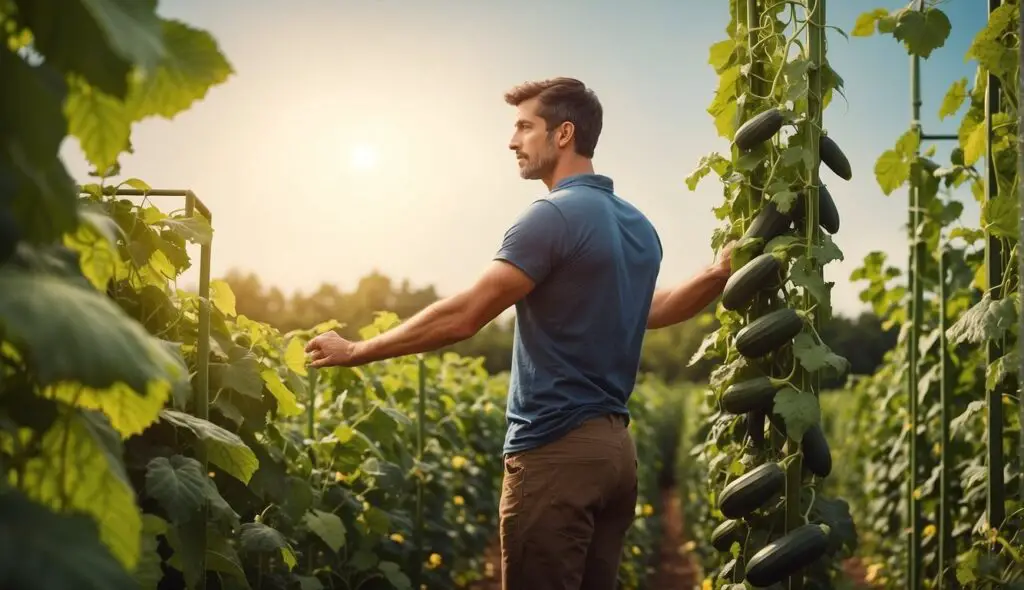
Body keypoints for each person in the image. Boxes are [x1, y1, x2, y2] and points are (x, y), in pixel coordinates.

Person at [305, 77, 734, 590]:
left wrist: (358, 349)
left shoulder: (552, 216)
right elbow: (654, 308)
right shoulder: (638, 226)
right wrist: (715, 275)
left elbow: (465, 315)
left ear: (563, 134)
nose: (513, 142)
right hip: (615, 453)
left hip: (555, 450)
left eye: (524, 127)